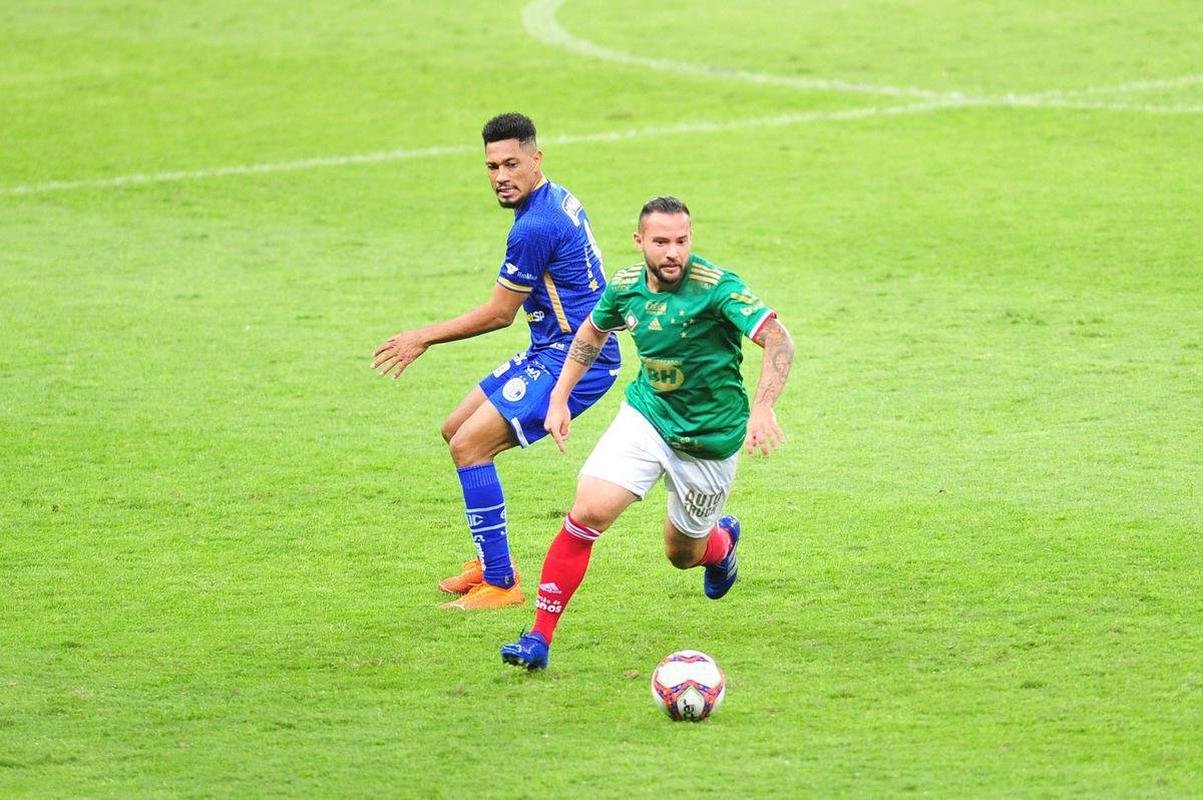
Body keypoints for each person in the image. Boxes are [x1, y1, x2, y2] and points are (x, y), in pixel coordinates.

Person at [501, 195, 794, 670]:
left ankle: (720, 545)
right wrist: (559, 397)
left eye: (681, 240)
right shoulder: (625, 287)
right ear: (640, 241)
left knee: (682, 554)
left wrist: (763, 407)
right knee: (587, 511)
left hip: (708, 440)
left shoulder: (717, 288)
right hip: (647, 417)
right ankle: (538, 638)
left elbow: (778, 338)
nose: (673, 252)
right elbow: (592, 332)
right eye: (661, 242)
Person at [372, 113, 621, 611]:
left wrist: (423, 337)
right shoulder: (553, 198)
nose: (501, 176)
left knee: (470, 446)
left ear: (536, 159)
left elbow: (499, 313)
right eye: (492, 167)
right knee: (455, 430)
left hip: (577, 357)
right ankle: (490, 563)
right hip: (550, 346)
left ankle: (502, 583)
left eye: (511, 164)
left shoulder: (535, 226)